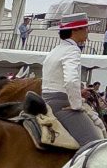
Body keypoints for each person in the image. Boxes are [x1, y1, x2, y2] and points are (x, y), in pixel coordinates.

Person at [41, 16, 103, 144]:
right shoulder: (72, 50)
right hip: (61, 103)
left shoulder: (55, 50)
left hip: (47, 99)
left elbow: (56, 82)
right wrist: (76, 105)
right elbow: (70, 80)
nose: (88, 31)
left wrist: (79, 91)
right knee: (94, 143)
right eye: (86, 28)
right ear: (75, 30)